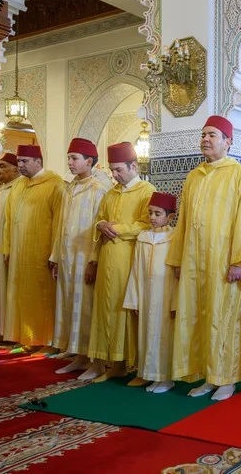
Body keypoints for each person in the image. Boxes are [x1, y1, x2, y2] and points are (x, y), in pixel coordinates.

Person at [167, 115, 241, 401]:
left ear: (228, 142)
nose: (205, 139)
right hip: (194, 260)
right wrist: (178, 259)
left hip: (224, 262)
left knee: (224, 318)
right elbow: (182, 221)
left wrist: (239, 261)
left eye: (212, 135)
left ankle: (227, 379)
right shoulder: (194, 176)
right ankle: (208, 375)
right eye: (203, 135)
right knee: (199, 317)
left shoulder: (239, 174)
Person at [86, 142, 155, 382]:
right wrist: (101, 225)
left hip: (128, 259)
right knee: (104, 308)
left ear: (133, 166)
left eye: (119, 170)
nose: (115, 175)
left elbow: (147, 223)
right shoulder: (111, 193)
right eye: (112, 170)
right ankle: (107, 361)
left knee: (122, 309)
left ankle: (124, 362)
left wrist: (118, 229)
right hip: (106, 257)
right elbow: (100, 219)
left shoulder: (146, 191)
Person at [49, 138, 109, 374]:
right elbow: (60, 224)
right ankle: (78, 355)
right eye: (69, 158)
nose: (70, 163)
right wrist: (56, 257)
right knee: (69, 304)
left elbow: (99, 229)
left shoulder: (98, 189)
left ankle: (94, 360)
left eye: (74, 158)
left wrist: (94, 261)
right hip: (67, 257)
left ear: (89, 161)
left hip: (85, 259)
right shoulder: (68, 189)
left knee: (86, 307)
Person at [2, 145, 65, 352]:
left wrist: (56, 254)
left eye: (25, 161)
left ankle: (46, 341)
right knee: (22, 298)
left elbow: (60, 223)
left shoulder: (55, 185)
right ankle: (26, 338)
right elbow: (9, 220)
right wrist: (7, 248)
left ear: (38, 162)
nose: (20, 165)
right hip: (19, 254)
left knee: (42, 299)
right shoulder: (19, 185)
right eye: (19, 161)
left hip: (42, 254)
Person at [123, 192, 178, 394]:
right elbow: (136, 270)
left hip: (165, 296)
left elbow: (178, 275)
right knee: (147, 334)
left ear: (170, 217)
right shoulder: (143, 238)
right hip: (146, 295)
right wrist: (135, 300)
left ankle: (165, 378)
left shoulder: (175, 238)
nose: (152, 217)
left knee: (164, 337)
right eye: (150, 213)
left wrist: (176, 302)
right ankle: (151, 375)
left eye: (158, 213)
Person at [0, 152, 20, 339]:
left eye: (3, 166)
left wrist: (9, 248)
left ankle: (8, 331)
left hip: (10, 248)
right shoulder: (0, 189)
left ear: (16, 169)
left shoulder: (18, 189)